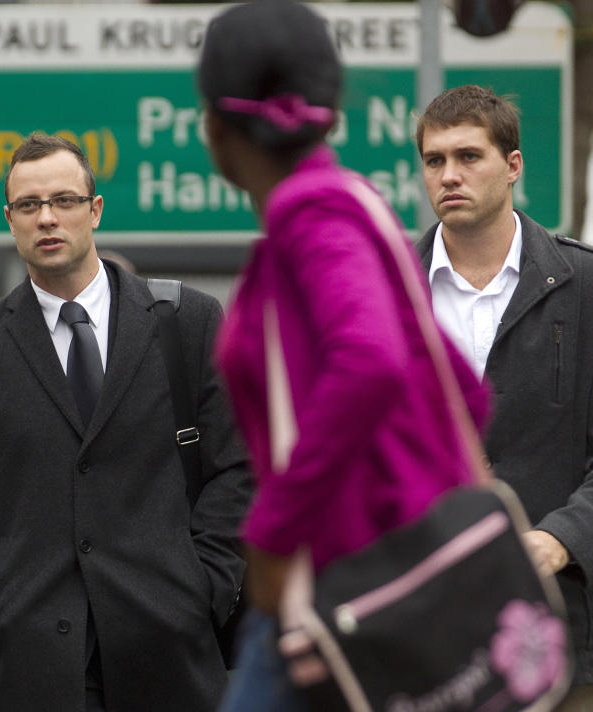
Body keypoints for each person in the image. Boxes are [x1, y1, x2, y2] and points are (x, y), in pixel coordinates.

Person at [196, 2, 490, 709]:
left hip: (336, 599)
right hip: (385, 592)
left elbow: (371, 360)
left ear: (217, 127)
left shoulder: (310, 214)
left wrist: (273, 533)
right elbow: (466, 393)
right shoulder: (355, 204)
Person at [0, 132, 252, 712]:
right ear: (10, 220)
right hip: (39, 653)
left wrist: (207, 583)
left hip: (170, 640)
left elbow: (236, 468)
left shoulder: (186, 321)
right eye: (30, 206)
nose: (48, 218)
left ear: (95, 209)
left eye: (64, 201)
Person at [415, 84, 593, 708]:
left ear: (513, 165)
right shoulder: (389, 295)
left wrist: (563, 536)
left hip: (562, 629)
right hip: (421, 635)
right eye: (435, 161)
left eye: (469, 156)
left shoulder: (584, 284)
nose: (450, 175)